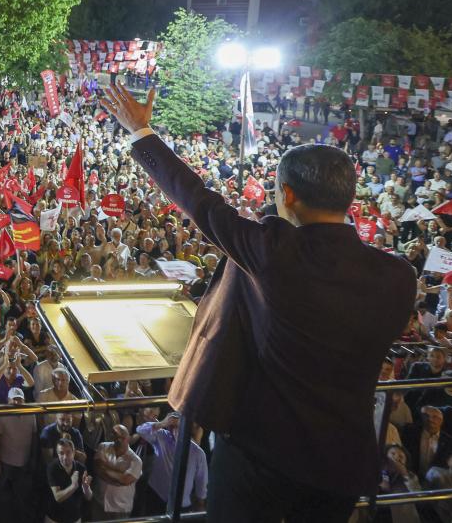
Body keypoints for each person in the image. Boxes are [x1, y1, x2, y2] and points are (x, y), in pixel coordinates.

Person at [102, 81, 417, 521]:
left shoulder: (274, 252)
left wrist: (141, 131)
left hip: (260, 454)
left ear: (287, 194)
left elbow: (200, 202)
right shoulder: (398, 277)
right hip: (342, 461)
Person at [90, 423, 142, 521]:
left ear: (128, 438)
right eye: (116, 436)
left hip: (120, 508)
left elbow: (125, 480)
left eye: (122, 437)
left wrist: (106, 469)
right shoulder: (103, 447)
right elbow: (97, 468)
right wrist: (118, 476)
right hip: (100, 502)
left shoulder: (136, 461)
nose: (119, 440)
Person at [46, 436, 91, 523]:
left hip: (75, 518)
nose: (65, 457)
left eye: (68, 452)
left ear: (73, 452)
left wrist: (86, 488)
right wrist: (73, 486)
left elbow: (89, 497)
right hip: (54, 518)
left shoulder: (81, 468)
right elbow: (58, 497)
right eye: (61, 453)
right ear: (57, 454)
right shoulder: (52, 468)